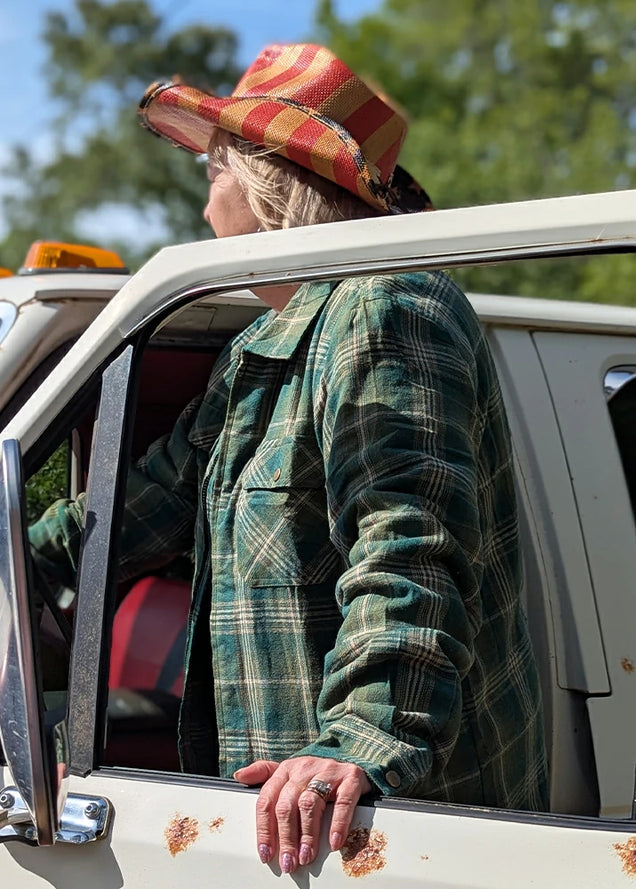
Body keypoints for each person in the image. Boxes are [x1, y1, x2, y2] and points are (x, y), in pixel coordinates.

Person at [31, 43, 549, 874]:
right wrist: (15, 555)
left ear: (269, 182)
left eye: (213, 175)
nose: (205, 212)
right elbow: (110, 524)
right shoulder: (254, 360)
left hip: (396, 839)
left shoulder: (388, 305)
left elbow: (406, 548)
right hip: (293, 840)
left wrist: (359, 741)